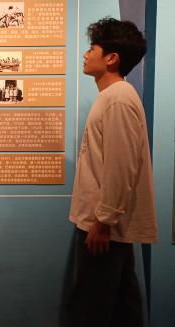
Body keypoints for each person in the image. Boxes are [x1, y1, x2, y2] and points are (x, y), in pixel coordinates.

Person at [67, 18, 157, 327]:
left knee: (92, 307)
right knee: (120, 305)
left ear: (111, 58)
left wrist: (103, 220)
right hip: (105, 222)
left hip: (103, 225)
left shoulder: (118, 99)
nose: (86, 54)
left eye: (92, 48)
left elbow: (121, 166)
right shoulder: (113, 97)